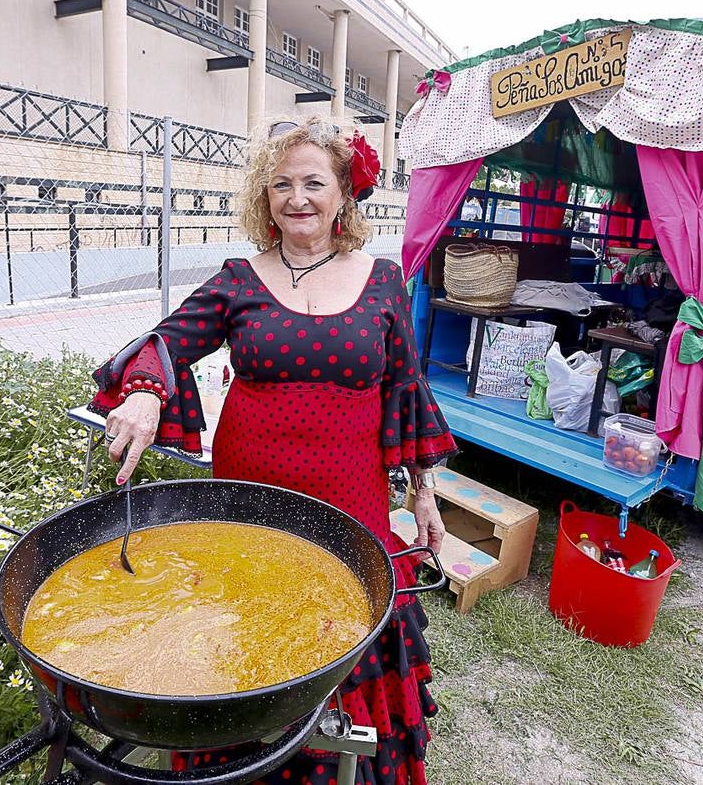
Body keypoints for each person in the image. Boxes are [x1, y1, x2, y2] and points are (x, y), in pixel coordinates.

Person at [88, 114, 456, 785]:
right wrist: (142, 391)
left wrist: (424, 494)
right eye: (280, 184)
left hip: (351, 492)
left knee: (345, 616)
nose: (296, 198)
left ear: (343, 193)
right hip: (250, 489)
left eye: (313, 182)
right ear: (264, 197)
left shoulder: (380, 279)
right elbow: (167, 340)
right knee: (249, 610)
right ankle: (243, 753)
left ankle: (337, 759)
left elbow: (405, 388)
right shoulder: (238, 278)